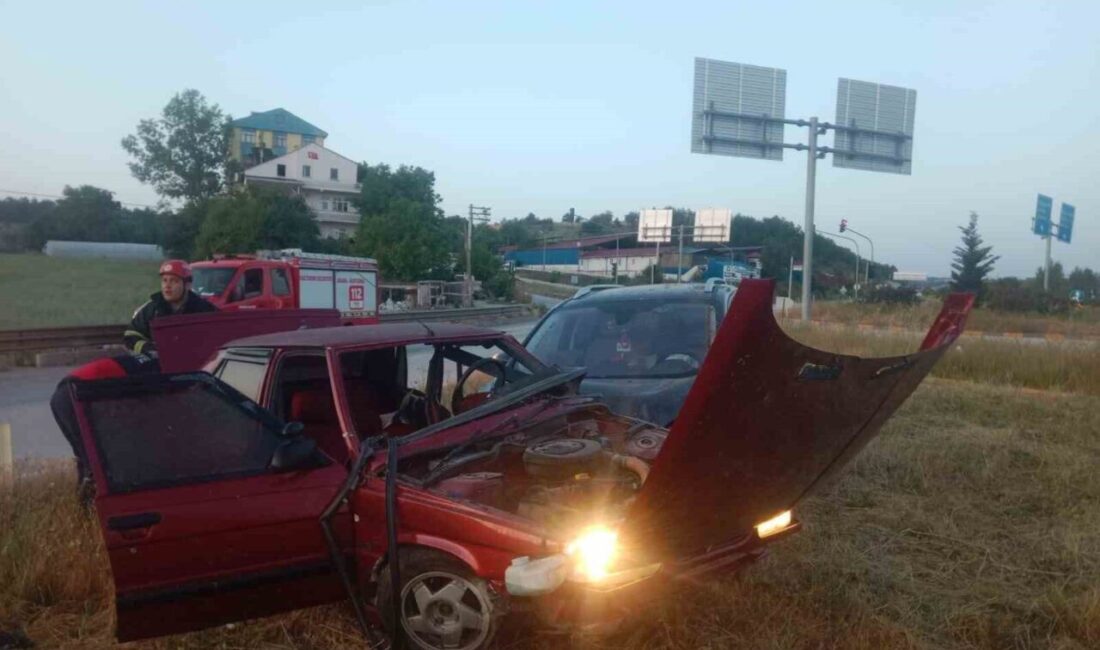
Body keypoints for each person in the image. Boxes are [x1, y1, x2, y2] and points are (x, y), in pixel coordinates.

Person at [124, 259, 217, 357]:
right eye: (164, 280)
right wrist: (149, 349)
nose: (167, 286)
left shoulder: (204, 310)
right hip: (158, 362)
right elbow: (131, 335)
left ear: (187, 285)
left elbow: (219, 338)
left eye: (174, 281)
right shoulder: (152, 308)